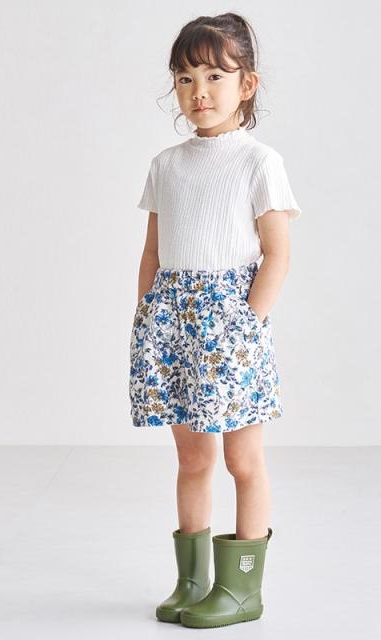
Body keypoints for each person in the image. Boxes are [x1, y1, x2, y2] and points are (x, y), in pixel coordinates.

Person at [129, 12, 302, 628]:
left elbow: (277, 255)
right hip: (172, 321)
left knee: (242, 460)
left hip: (232, 327)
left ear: (246, 84)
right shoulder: (166, 164)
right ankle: (192, 581)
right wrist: (146, 315)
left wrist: (247, 326)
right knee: (193, 459)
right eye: (184, 78)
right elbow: (153, 251)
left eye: (213, 76)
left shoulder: (259, 162)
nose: (197, 91)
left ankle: (241, 589)